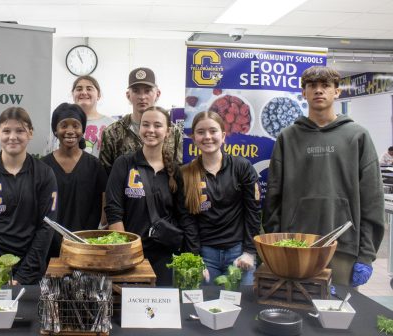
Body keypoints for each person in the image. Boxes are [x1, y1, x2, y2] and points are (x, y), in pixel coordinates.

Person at [263, 65, 385, 287]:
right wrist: (275, 245)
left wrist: (366, 255)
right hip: (294, 247)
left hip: (343, 247)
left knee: (337, 317)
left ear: (337, 92)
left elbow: (372, 199)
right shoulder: (287, 138)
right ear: (304, 93)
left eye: (326, 86)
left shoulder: (357, 136)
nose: (319, 91)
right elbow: (273, 197)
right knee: (294, 311)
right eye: (312, 86)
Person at [0, 107, 57, 285]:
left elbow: (47, 227)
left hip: (29, 275)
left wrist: (22, 276)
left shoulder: (45, 174)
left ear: (30, 133)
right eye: (6, 130)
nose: (12, 136)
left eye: (20, 130)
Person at [105, 106, 190, 286]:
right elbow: (113, 210)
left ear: (167, 132)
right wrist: (125, 250)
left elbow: (183, 216)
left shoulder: (175, 171)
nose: (151, 130)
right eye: (146, 125)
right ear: (139, 129)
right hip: (129, 255)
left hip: (163, 256)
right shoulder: (124, 163)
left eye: (157, 125)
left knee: (160, 310)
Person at [181, 111, 261, 285]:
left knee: (242, 308)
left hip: (239, 254)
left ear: (223, 136)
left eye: (213, 131)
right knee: (200, 309)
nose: (207, 137)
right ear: (194, 138)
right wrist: (195, 258)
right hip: (205, 256)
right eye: (201, 132)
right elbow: (187, 220)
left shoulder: (242, 167)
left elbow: (253, 213)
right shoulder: (186, 174)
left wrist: (249, 252)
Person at [41, 103, 108, 257]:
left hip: (85, 245)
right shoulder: (43, 166)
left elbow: (104, 207)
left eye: (76, 126)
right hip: (50, 247)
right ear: (55, 130)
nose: (70, 131)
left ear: (83, 130)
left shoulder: (94, 165)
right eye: (63, 125)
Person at [99, 67, 183, 174]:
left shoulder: (172, 131)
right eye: (136, 91)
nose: (142, 97)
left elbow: (180, 170)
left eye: (147, 91)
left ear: (158, 94)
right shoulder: (112, 132)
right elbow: (104, 174)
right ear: (128, 95)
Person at [71, 76, 115, 157]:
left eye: (89, 89)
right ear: (72, 94)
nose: (84, 92)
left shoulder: (113, 124)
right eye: (79, 89)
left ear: (98, 95)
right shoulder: (62, 123)